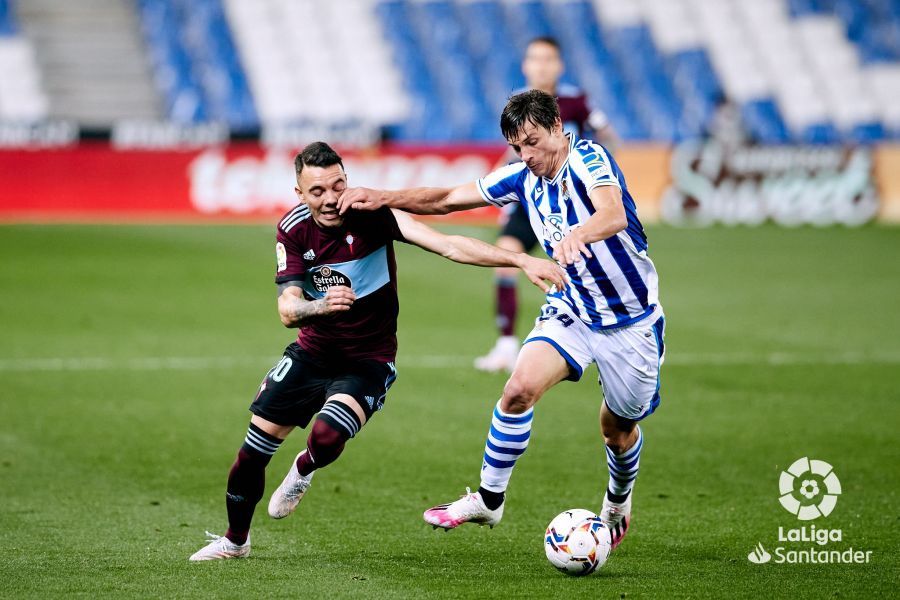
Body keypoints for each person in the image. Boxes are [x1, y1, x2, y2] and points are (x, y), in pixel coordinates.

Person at [189, 141, 565, 561]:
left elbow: (449, 246)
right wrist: (319, 306)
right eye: (317, 191)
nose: (331, 198)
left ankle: (303, 469)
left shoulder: (372, 215)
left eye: (337, 185)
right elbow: (287, 308)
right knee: (250, 455)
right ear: (300, 194)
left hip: (368, 358)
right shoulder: (293, 230)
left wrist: (519, 261)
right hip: (311, 353)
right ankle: (235, 542)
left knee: (328, 436)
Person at [338, 90, 664, 550]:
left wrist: (578, 234)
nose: (527, 156)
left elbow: (611, 213)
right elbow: (449, 197)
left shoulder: (590, 159)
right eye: (517, 147)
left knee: (618, 428)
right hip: (573, 307)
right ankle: (490, 500)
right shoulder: (522, 179)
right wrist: (383, 197)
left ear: (556, 127)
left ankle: (617, 499)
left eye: (533, 142)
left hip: (629, 322)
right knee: (517, 390)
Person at [475, 36, 620, 373]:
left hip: (575, 204)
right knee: (505, 256)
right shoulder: (519, 105)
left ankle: (619, 330)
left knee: (592, 266)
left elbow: (608, 134)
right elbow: (514, 155)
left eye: (548, 59)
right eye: (534, 59)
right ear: (526, 65)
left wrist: (600, 168)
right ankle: (506, 344)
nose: (541, 65)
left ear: (559, 65)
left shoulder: (577, 101)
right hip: (534, 201)